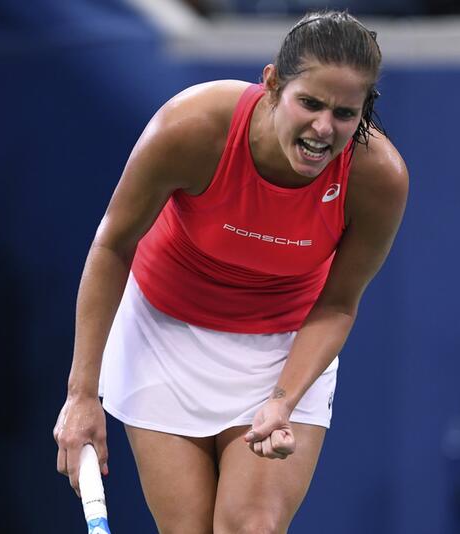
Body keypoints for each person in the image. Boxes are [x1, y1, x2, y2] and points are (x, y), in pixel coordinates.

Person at [54, 10, 409, 533]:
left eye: (344, 113)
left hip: (283, 350)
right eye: (309, 103)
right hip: (163, 336)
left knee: (252, 526)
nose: (322, 128)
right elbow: (113, 245)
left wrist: (282, 400)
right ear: (271, 84)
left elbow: (338, 303)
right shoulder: (193, 126)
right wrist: (81, 395)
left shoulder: (378, 178)